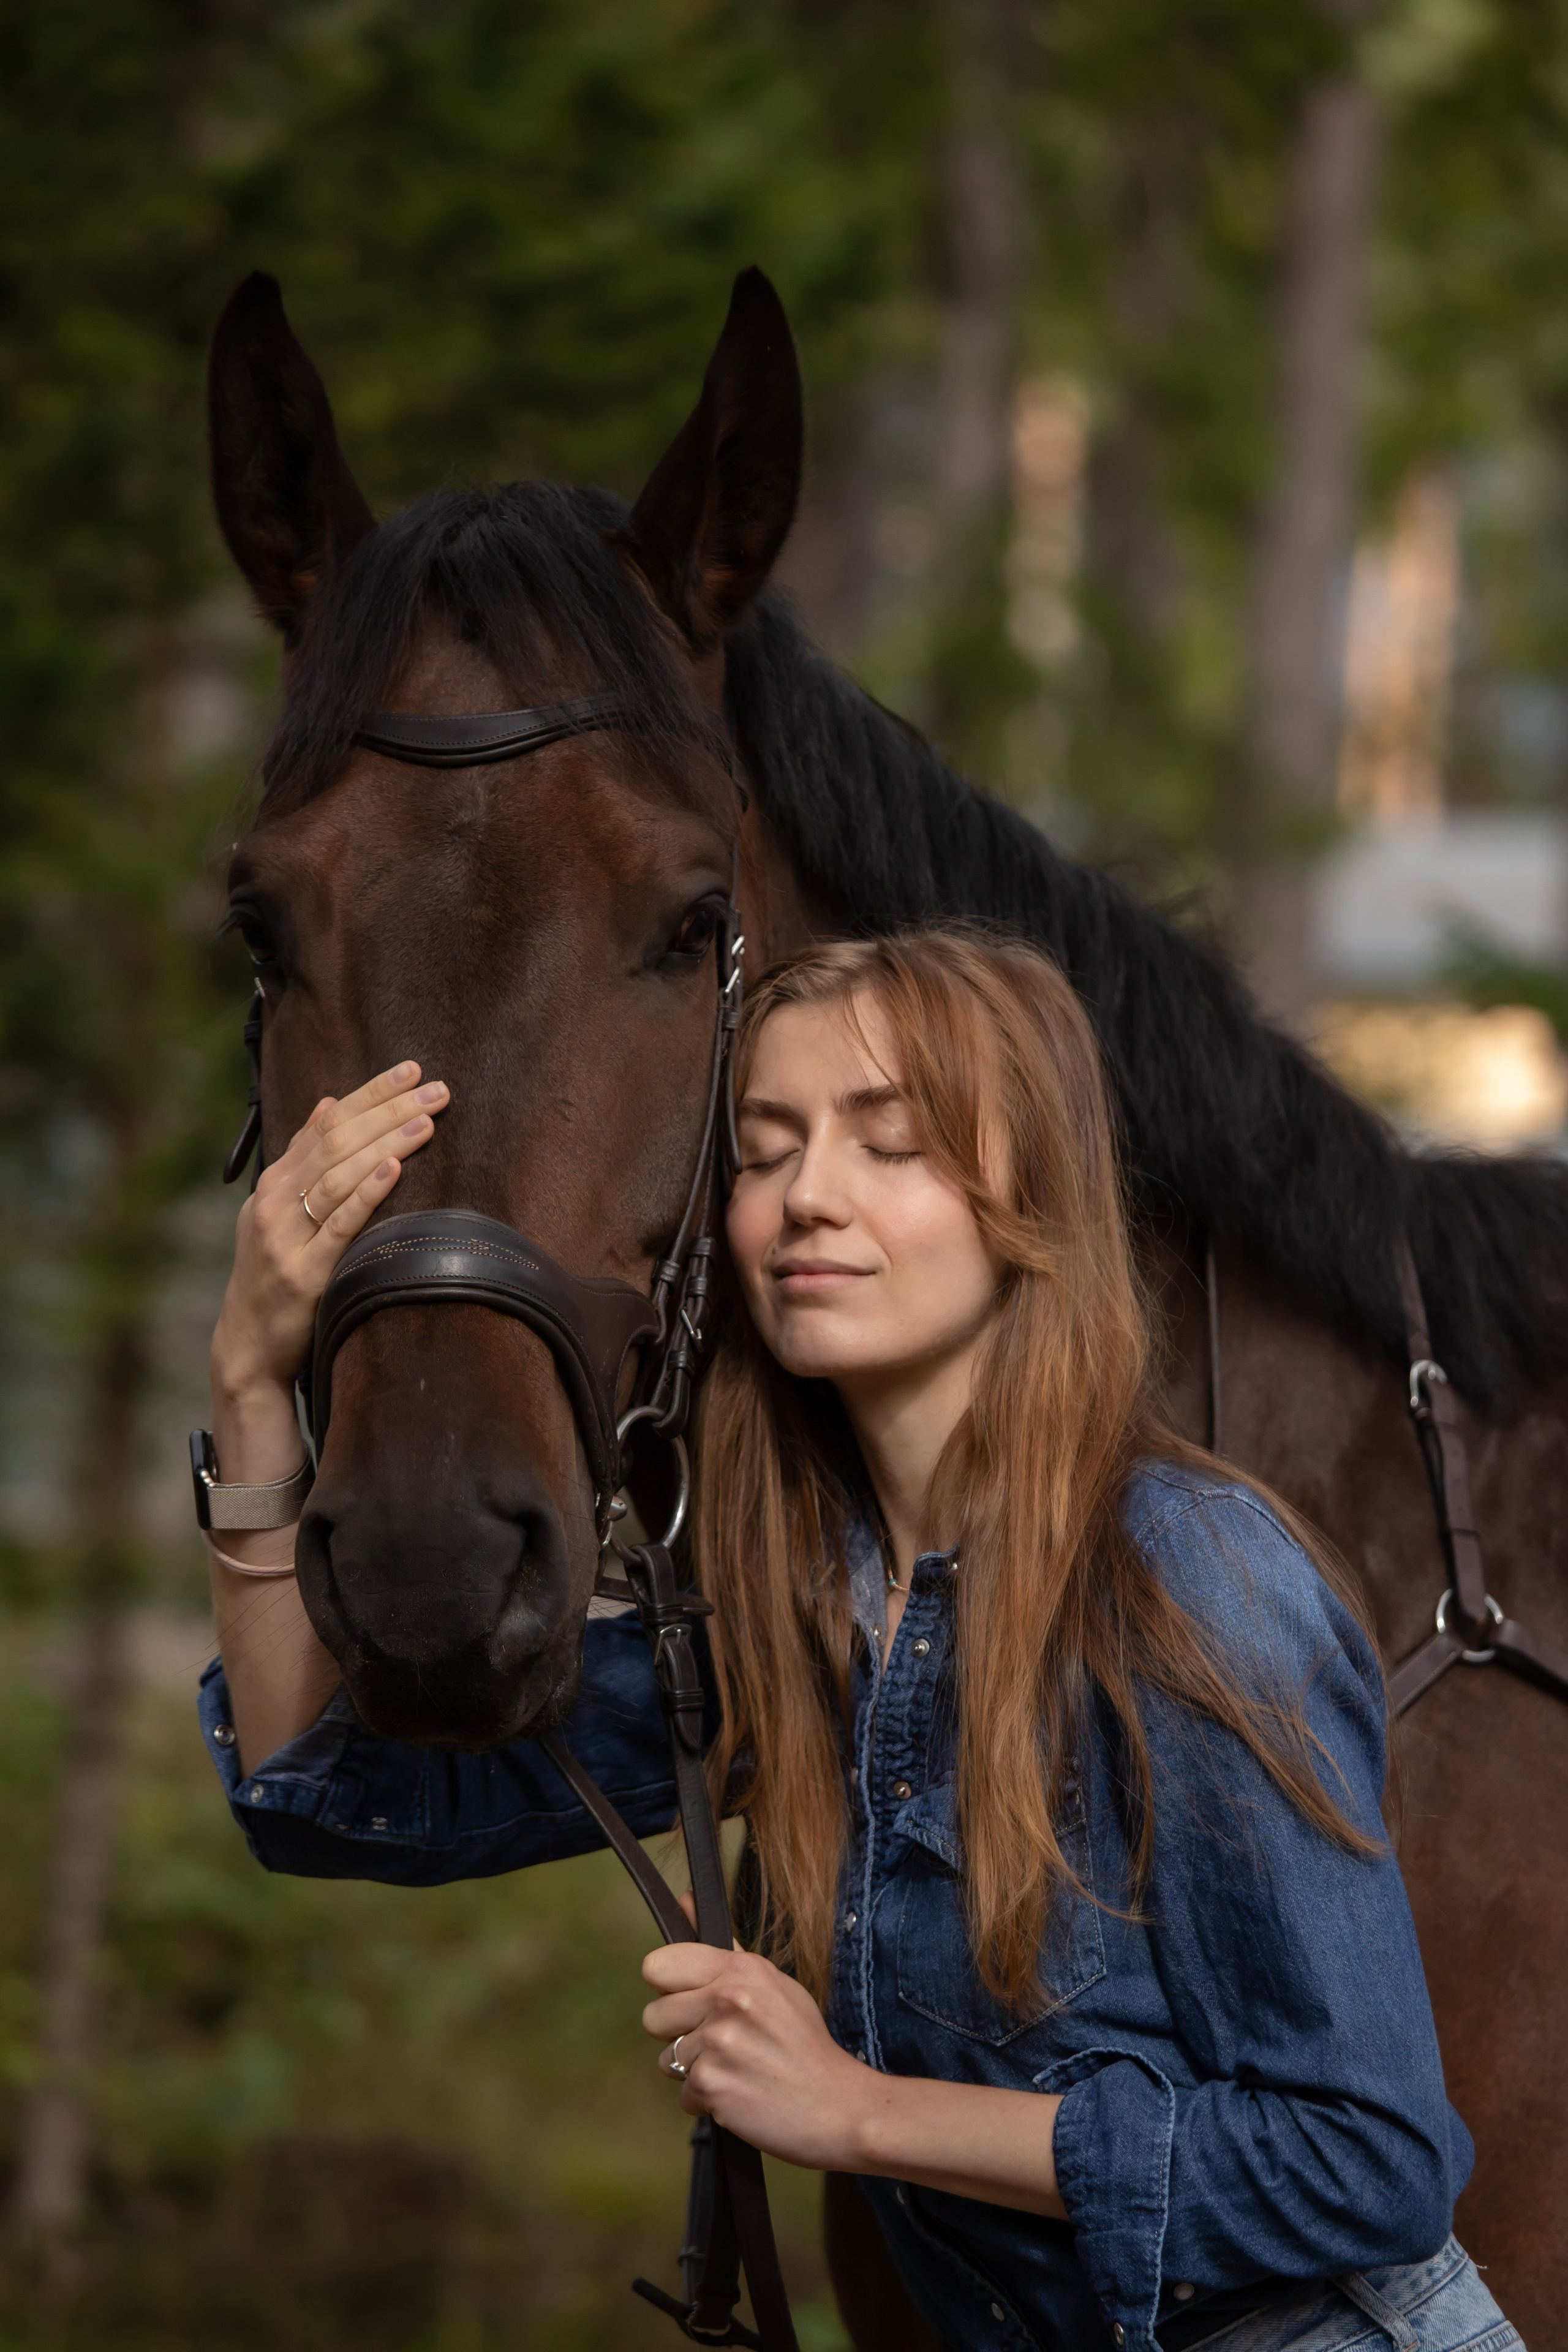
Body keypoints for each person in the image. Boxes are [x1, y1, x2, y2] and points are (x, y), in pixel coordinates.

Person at [197, 930, 1521, 2352]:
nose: (807, 1199)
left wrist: (859, 2113)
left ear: (1032, 1202)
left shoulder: (1184, 1574)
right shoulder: (799, 1614)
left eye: (888, 1146)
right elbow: (327, 1799)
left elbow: (1362, 2169)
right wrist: (253, 1381)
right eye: (763, 1154)